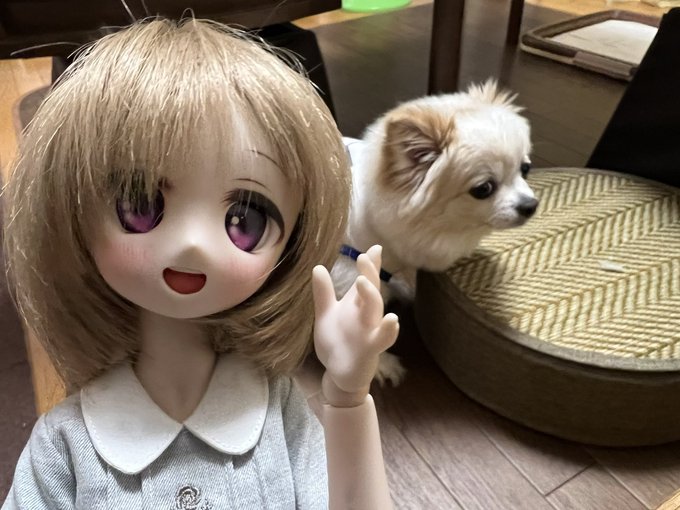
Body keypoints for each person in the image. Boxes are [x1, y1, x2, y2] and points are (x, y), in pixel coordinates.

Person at [2, 18, 397, 509]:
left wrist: (348, 398)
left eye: (246, 221)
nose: (192, 244)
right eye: (140, 205)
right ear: (72, 215)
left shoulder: (277, 412)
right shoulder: (67, 446)